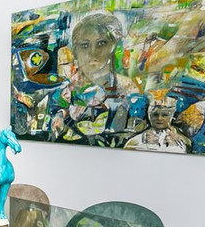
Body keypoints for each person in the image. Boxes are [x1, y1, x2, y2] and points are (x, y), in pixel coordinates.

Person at [47, 12, 141, 144]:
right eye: (85, 45)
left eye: (101, 43)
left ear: (112, 47)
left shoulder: (127, 88)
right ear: (75, 51)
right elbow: (58, 111)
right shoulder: (66, 89)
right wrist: (60, 116)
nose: (92, 53)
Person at [124, 90, 190, 153]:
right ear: (149, 115)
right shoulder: (136, 141)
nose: (159, 118)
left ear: (171, 116)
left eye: (164, 115)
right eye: (155, 115)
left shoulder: (183, 141)